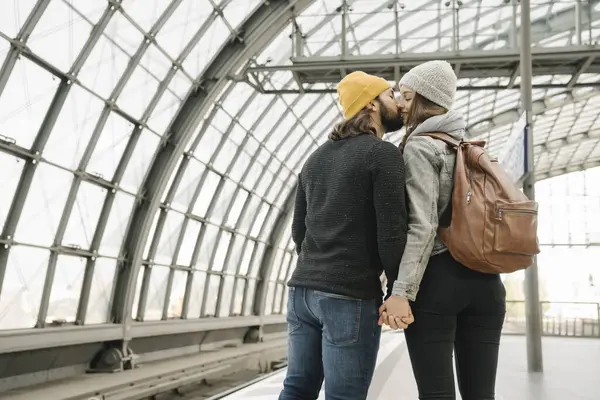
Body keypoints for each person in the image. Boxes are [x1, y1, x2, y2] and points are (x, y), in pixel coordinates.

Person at [279, 71, 411, 400]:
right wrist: (399, 291)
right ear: (371, 104)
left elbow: (299, 232)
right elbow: (392, 234)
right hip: (348, 296)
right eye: (390, 95)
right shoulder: (383, 155)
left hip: (301, 293)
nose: (397, 102)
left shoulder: (316, 158)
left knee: (296, 388)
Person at [379, 60, 506, 399]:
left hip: (437, 285)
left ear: (423, 99)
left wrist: (400, 292)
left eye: (406, 96)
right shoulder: (471, 147)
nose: (400, 105)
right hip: (487, 285)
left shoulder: (421, 146)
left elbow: (423, 225)